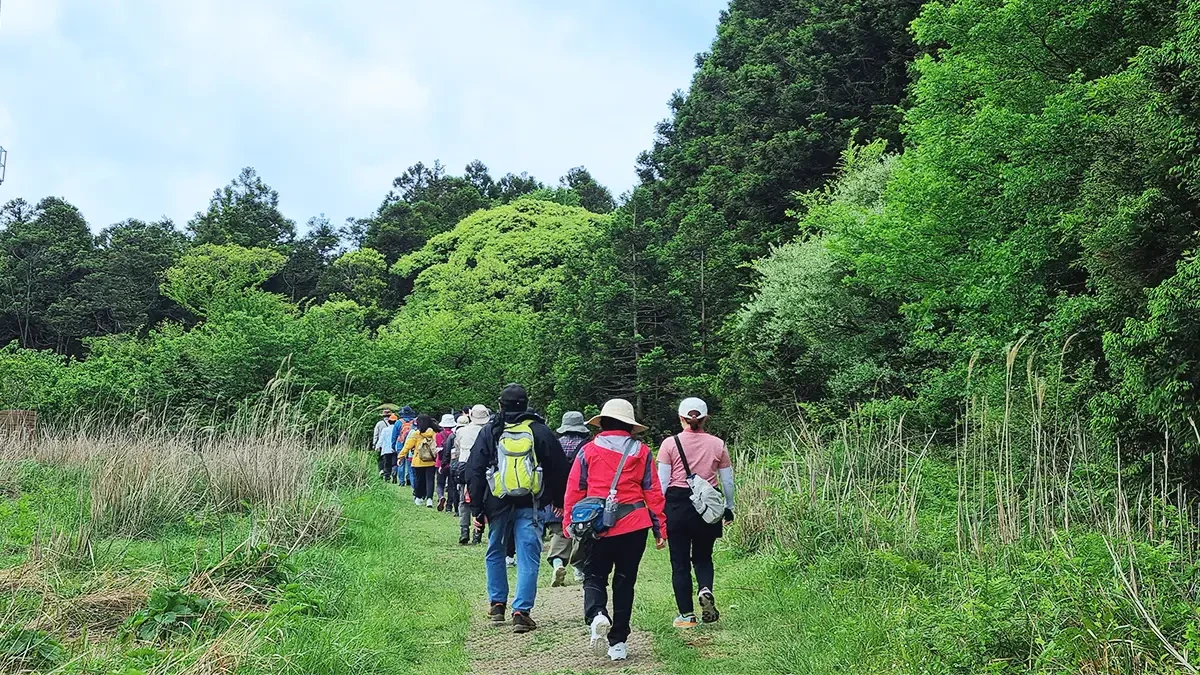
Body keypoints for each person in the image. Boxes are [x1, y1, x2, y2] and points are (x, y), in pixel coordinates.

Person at [563, 399, 666, 662]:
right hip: (634, 524)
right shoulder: (641, 452)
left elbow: (574, 489)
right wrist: (659, 529)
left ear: (603, 422)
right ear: (629, 426)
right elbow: (652, 491)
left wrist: (568, 523)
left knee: (594, 576)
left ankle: (597, 614)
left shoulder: (587, 450)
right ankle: (618, 642)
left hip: (596, 526)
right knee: (625, 582)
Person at [466, 384, 569, 634]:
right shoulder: (538, 430)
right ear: (525, 404)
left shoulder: (491, 430)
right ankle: (521, 612)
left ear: (500, 405)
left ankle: (497, 604)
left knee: (495, 550)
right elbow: (558, 468)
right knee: (528, 555)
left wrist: (476, 508)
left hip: (496, 501)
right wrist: (558, 501)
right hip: (530, 503)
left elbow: (475, 469)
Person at [657, 397, 735, 628]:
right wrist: (729, 507)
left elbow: (662, 483)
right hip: (708, 505)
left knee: (679, 562)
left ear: (681, 418)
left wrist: (658, 515)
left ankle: (686, 616)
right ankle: (705, 588)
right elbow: (727, 481)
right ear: (705, 419)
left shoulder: (669, 444)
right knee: (703, 557)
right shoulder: (718, 444)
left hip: (677, 505)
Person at [545, 411, 591, 585]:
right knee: (582, 533)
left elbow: (547, 475)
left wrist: (555, 500)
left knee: (558, 532)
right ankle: (579, 569)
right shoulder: (588, 447)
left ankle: (558, 564)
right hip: (583, 498)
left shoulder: (554, 446)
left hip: (557, 499)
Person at [454, 404, 491, 544]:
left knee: (464, 501)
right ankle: (478, 533)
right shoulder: (489, 432)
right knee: (482, 500)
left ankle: (464, 531)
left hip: (464, 467)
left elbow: (457, 448)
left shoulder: (462, 431)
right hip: (484, 469)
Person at [402, 414, 442, 507]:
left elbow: (407, 446)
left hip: (418, 461)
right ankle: (429, 499)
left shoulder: (416, 434)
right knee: (430, 480)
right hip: (431, 460)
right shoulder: (434, 434)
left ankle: (419, 498)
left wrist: (400, 456)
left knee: (419, 480)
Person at [435, 413, 459, 511]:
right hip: (452, 462)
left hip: (440, 462)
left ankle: (441, 497)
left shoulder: (438, 435)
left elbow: (437, 448)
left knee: (440, 483)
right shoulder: (455, 435)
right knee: (451, 485)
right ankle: (449, 506)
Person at [390, 406, 418, 486]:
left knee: (400, 463)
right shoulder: (414, 422)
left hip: (400, 443)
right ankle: (410, 479)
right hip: (412, 444)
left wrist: (393, 446)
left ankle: (401, 481)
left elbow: (394, 435)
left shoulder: (398, 422)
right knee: (410, 463)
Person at [375, 411, 398, 482]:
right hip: (395, 449)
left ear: (389, 422)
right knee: (394, 463)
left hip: (386, 449)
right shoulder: (397, 429)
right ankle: (394, 473)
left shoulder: (385, 430)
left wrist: (377, 446)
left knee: (387, 463)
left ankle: (387, 477)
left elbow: (381, 439)